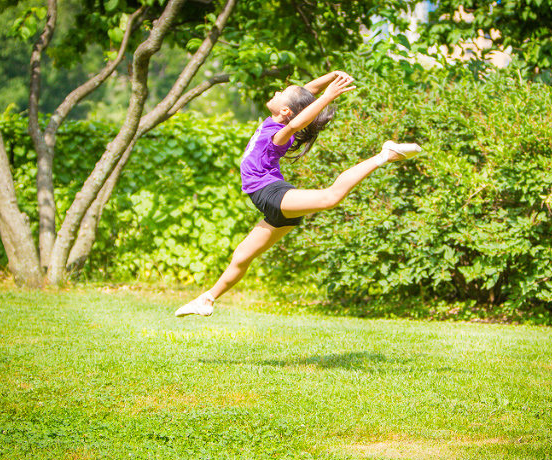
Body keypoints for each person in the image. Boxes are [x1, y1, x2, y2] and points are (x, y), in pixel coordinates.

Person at [175, 71, 421, 317]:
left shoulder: (279, 133)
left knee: (330, 197)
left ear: (285, 111)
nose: (276, 93)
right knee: (241, 256)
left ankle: (384, 155)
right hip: (270, 202)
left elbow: (296, 122)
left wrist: (327, 96)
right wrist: (330, 77)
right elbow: (304, 94)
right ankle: (207, 299)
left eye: (281, 94)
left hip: (270, 193)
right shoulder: (278, 117)